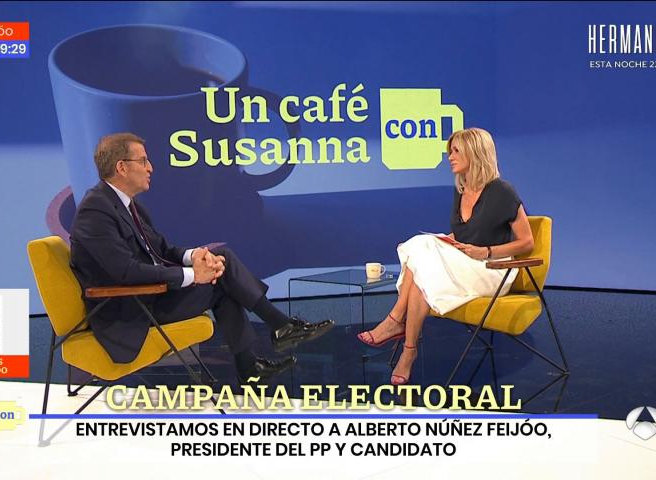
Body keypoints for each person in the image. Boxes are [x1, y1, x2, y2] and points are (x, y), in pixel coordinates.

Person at [70, 133, 334, 384]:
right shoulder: (96, 210)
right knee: (222, 275)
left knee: (220, 263)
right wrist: (193, 275)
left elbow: (162, 249)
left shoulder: (127, 204)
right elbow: (126, 272)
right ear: (122, 167)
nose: (150, 168)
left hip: (149, 298)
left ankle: (258, 358)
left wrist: (195, 255)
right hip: (129, 311)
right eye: (143, 161)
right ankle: (272, 338)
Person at [357, 127, 534, 385]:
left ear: (475, 152)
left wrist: (486, 251)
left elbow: (527, 243)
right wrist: (447, 240)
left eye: (456, 151)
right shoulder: (461, 189)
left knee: (421, 252)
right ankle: (408, 350)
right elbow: (466, 232)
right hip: (466, 263)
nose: (450, 157)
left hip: (492, 269)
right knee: (422, 261)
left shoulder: (502, 191)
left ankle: (396, 321)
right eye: (450, 151)